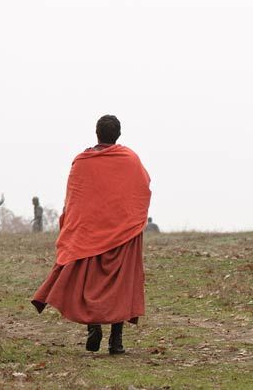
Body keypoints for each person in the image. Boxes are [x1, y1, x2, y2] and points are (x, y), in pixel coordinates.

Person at [31, 115, 151, 355]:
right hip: (122, 233)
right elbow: (143, 188)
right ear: (118, 135)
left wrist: (71, 224)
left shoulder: (82, 161)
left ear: (96, 133)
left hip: (88, 233)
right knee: (121, 285)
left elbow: (74, 198)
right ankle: (115, 342)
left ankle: (93, 325)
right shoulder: (129, 159)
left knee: (89, 281)